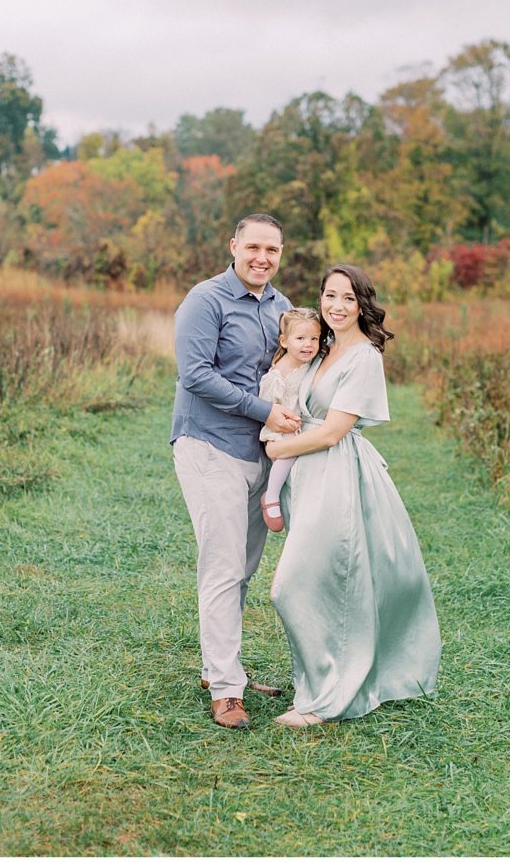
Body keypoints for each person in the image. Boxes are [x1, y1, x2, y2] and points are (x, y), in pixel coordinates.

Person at [267, 264, 441, 727]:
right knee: (321, 580)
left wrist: (278, 447)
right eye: (329, 295)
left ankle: (328, 699)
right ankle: (315, 677)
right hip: (306, 478)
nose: (336, 306)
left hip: (337, 475)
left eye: (347, 298)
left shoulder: (363, 356)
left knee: (297, 584)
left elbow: (332, 432)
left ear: (362, 304)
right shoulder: (321, 347)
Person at [170, 213, 300, 730]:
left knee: (242, 569)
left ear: (281, 252)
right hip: (209, 446)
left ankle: (218, 668)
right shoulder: (206, 300)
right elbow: (195, 375)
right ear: (233, 246)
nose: (261, 257)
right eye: (252, 247)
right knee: (223, 567)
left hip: (259, 457)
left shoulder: (284, 307)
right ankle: (226, 690)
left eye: (271, 249)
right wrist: (265, 411)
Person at [258, 308, 322, 532]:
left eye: (314, 338)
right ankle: (271, 496)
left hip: (301, 426)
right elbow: (268, 407)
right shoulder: (279, 374)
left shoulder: (309, 363)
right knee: (288, 453)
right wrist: (283, 423)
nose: (308, 344)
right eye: (301, 339)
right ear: (284, 341)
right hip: (281, 428)